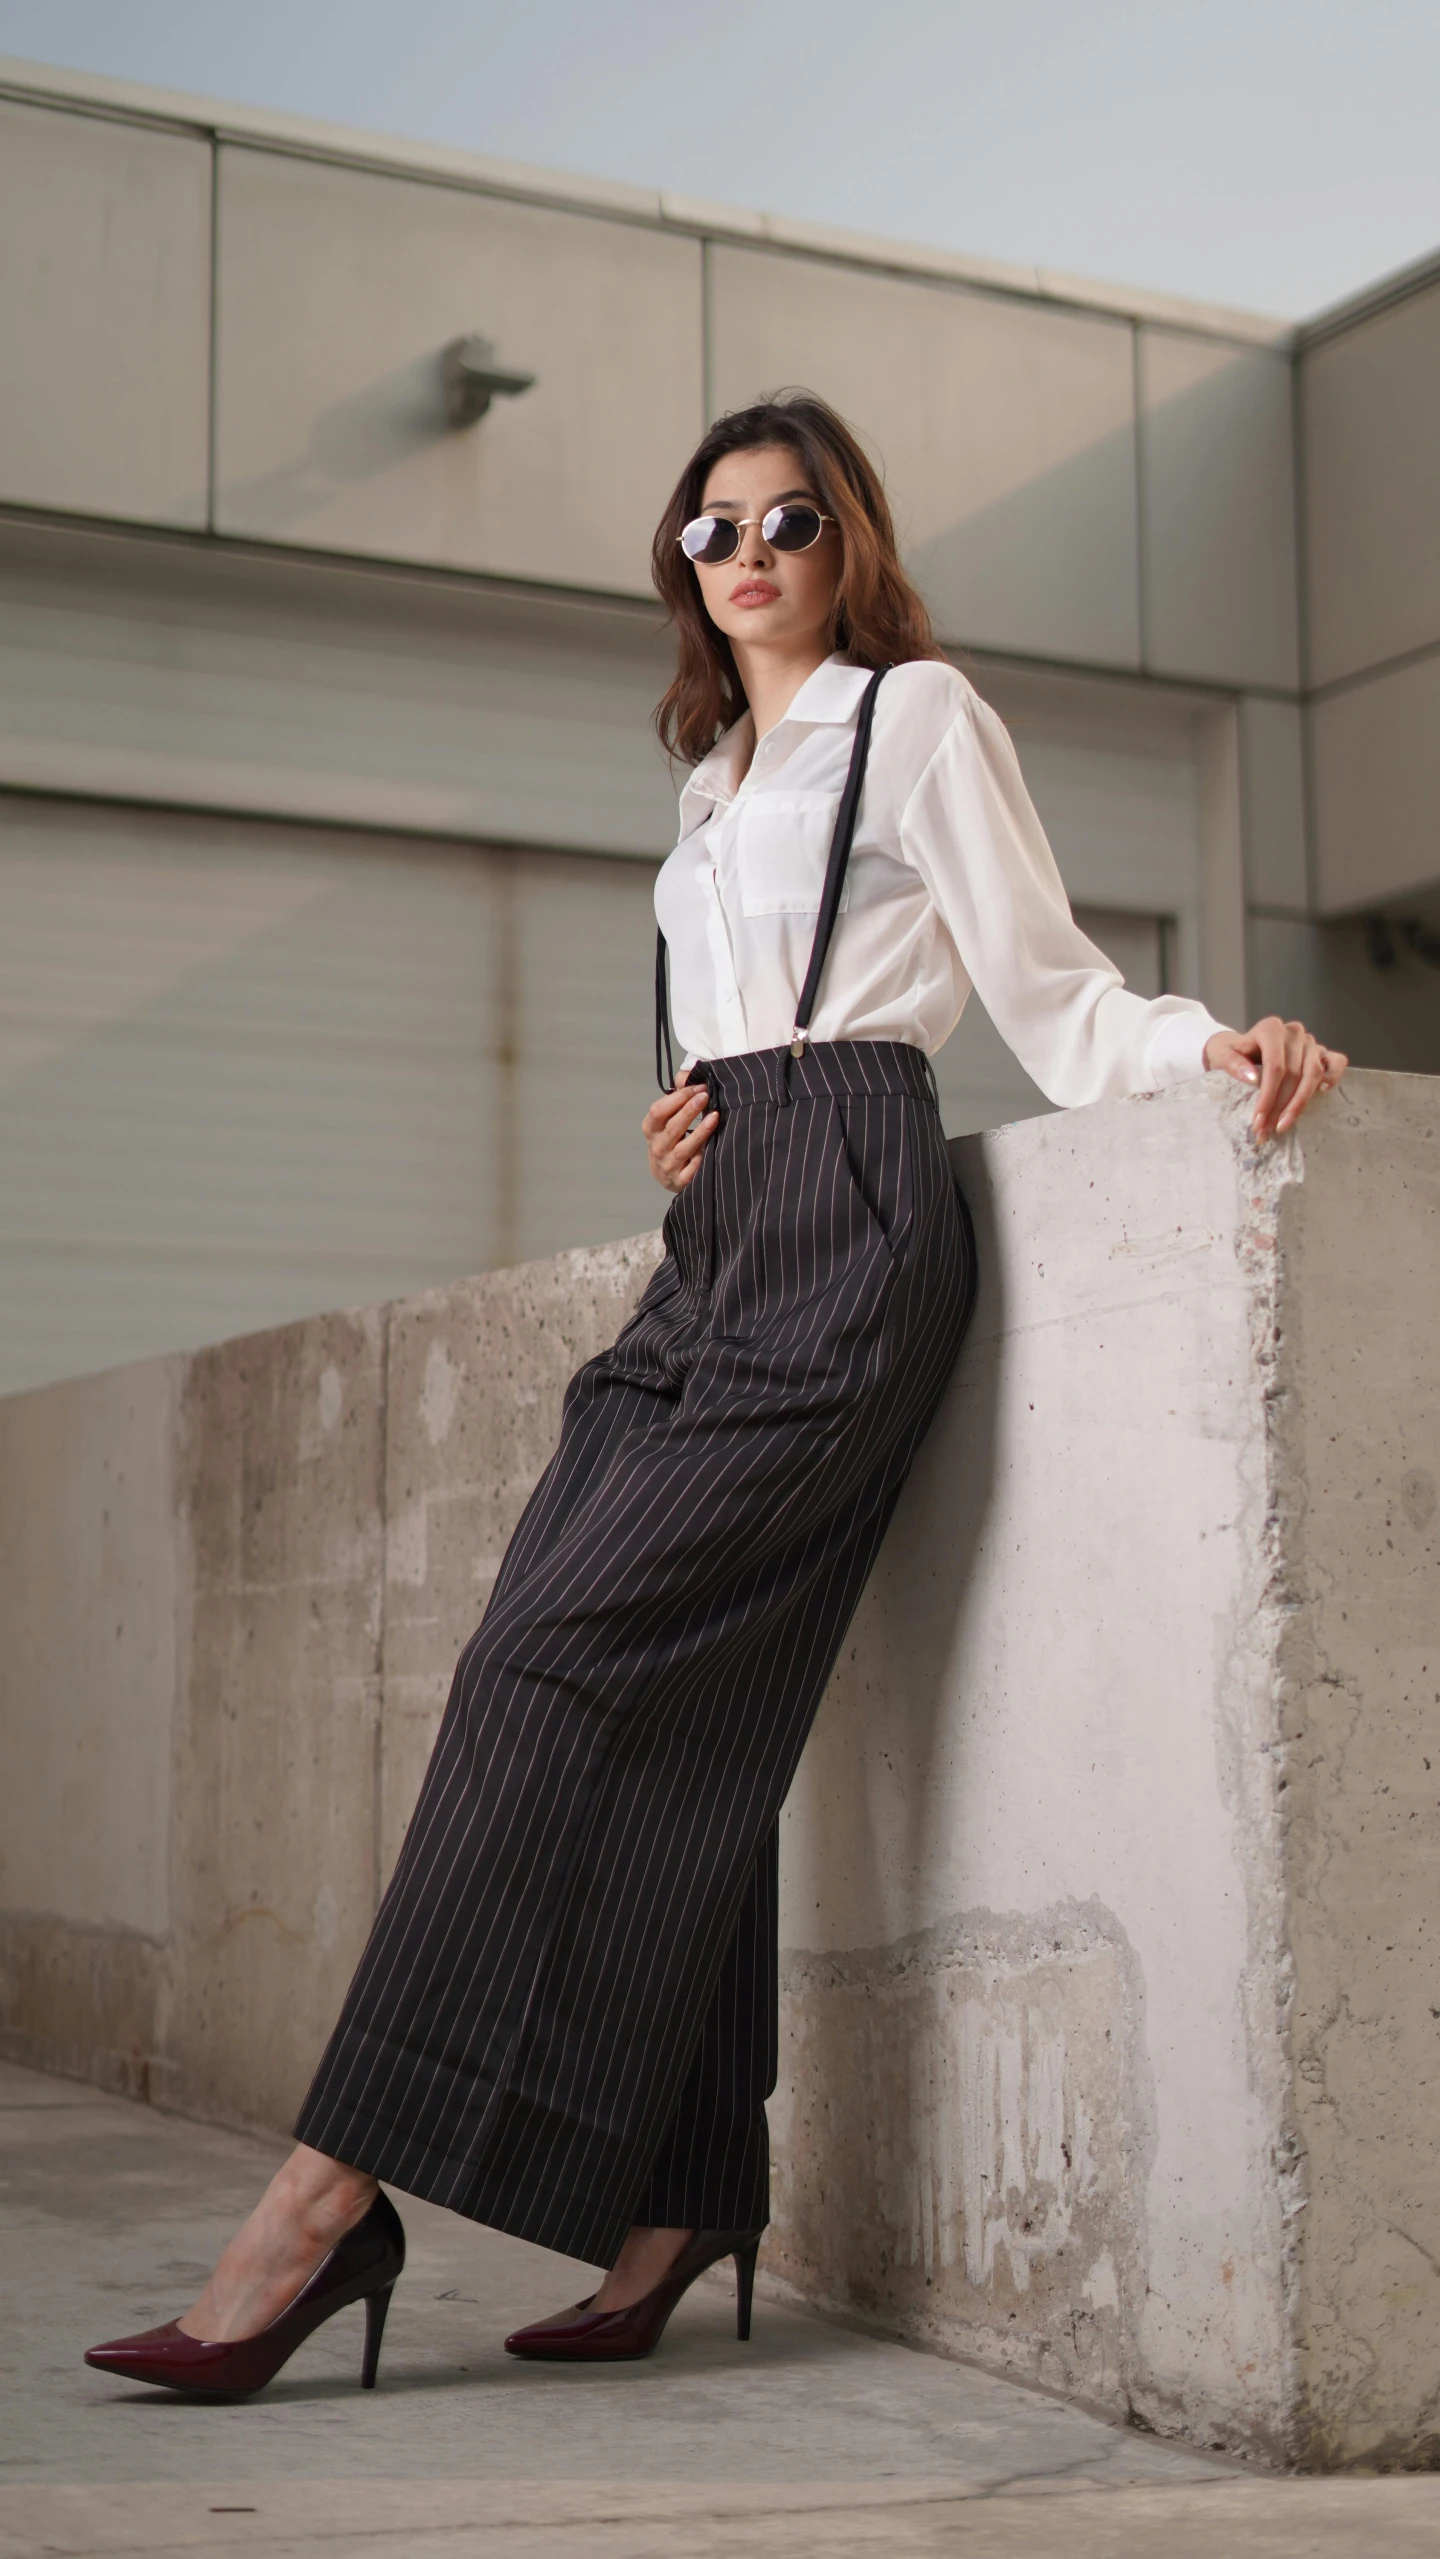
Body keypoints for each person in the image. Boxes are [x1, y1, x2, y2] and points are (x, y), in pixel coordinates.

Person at [85, 393, 1346, 2396]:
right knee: (646, 1697)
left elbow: (1053, 989)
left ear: (844, 540)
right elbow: (734, 1005)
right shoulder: (706, 781)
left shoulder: (914, 719)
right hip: (714, 1243)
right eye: (711, 530)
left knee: (544, 1678)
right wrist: (687, 1126)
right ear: (682, 563)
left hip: (849, 1232)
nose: (747, 555)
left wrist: (1221, 1046)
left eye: (785, 522)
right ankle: (682, 2187)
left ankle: (324, 2202)